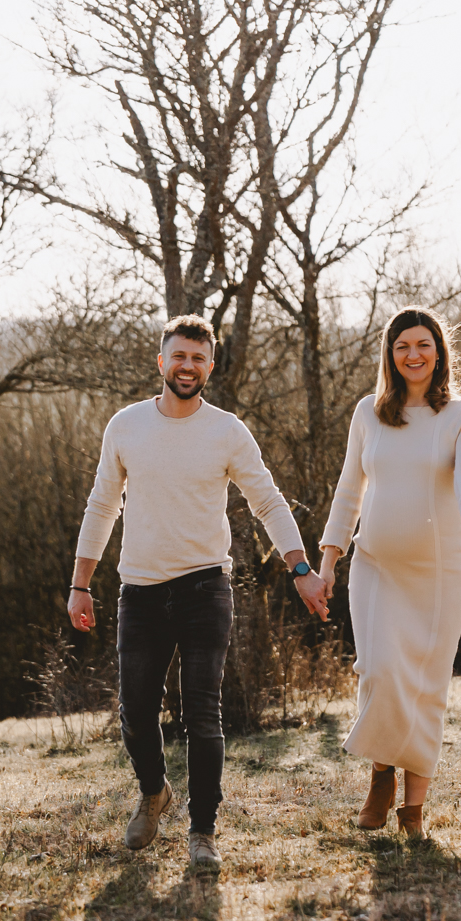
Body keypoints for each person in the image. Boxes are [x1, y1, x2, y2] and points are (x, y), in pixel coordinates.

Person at [68, 314, 314, 868]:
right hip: (141, 592)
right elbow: (102, 505)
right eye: (179, 356)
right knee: (135, 711)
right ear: (161, 362)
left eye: (199, 358)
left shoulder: (227, 431)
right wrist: (80, 583)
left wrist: (301, 570)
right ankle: (154, 791)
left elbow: (268, 501)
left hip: (206, 587)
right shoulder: (126, 426)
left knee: (204, 713)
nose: (188, 366)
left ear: (210, 366)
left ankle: (202, 832)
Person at [304, 306, 461, 840]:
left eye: (423, 345)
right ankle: (381, 773)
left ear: (439, 352)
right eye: (403, 346)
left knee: (427, 684)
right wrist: (328, 562)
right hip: (376, 567)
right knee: (380, 671)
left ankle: (413, 807)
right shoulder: (369, 413)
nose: (414, 354)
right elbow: (348, 491)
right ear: (390, 354)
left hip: (440, 571)